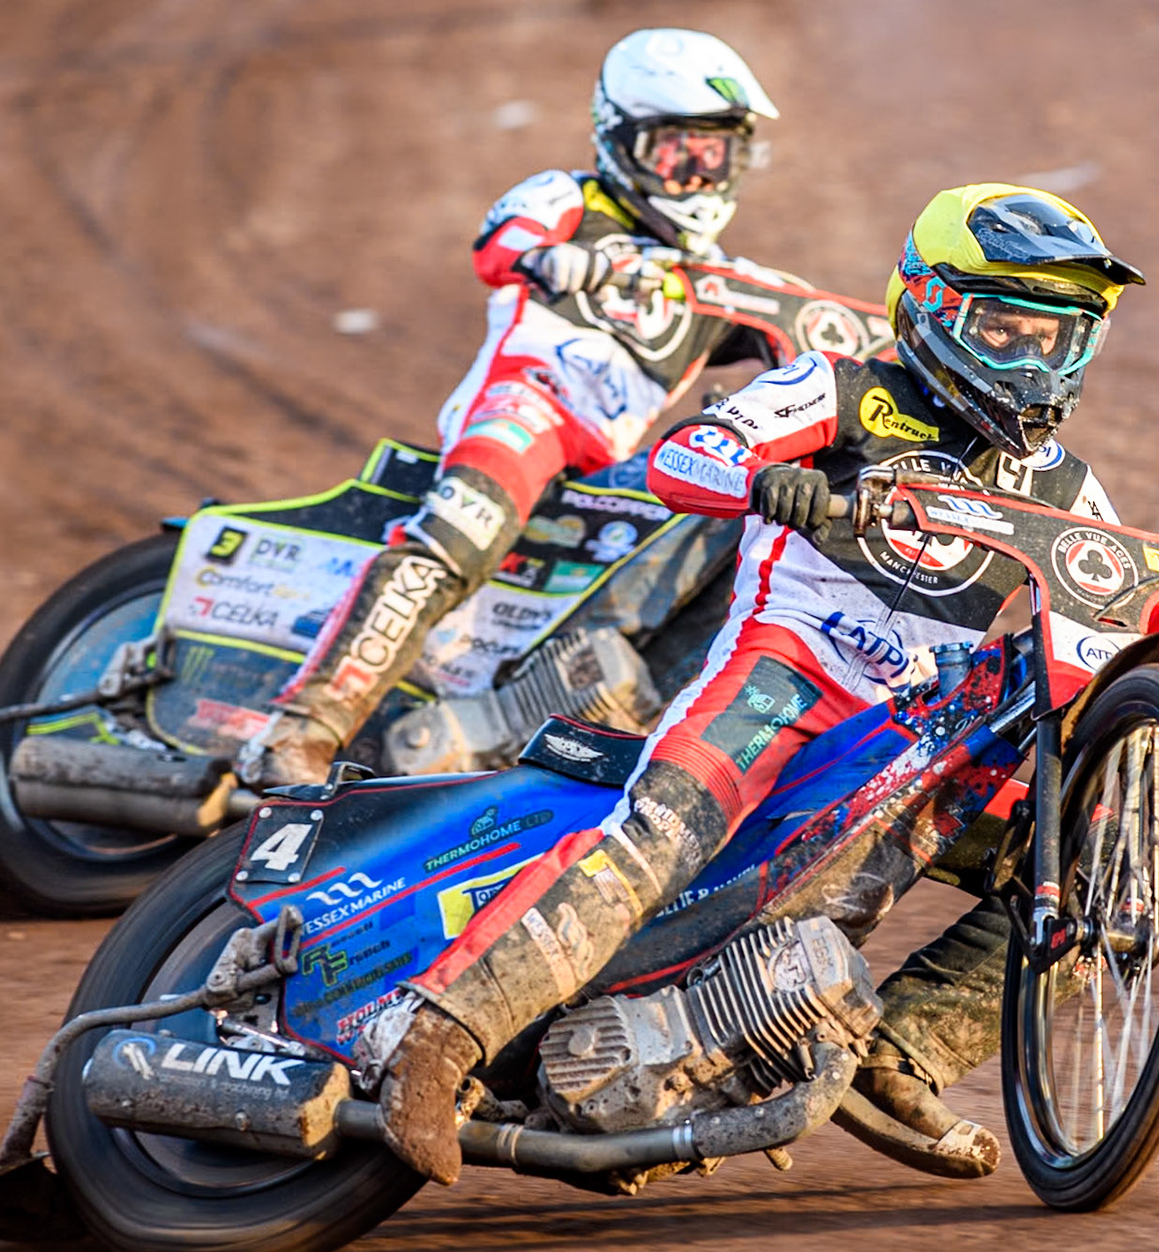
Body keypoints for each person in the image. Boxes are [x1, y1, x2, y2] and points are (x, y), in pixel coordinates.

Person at [358, 183, 1159, 1187]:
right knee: (656, 836)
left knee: (1108, 871)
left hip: (914, 731)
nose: (1034, 361)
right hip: (782, 679)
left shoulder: (1067, 488)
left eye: (1059, 338)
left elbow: (1127, 624)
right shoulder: (845, 386)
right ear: (926, 306)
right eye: (1004, 329)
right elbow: (688, 452)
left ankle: (899, 1052)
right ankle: (438, 1038)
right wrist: (758, 475)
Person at [257, 28, 788, 786]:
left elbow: (812, 339)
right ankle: (302, 727)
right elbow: (499, 240)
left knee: (747, 548)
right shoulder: (571, 198)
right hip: (525, 409)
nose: (699, 175)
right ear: (625, 140)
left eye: (717, 154)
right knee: (458, 536)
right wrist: (549, 255)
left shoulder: (721, 280)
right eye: (679, 152)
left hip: (614, 470)